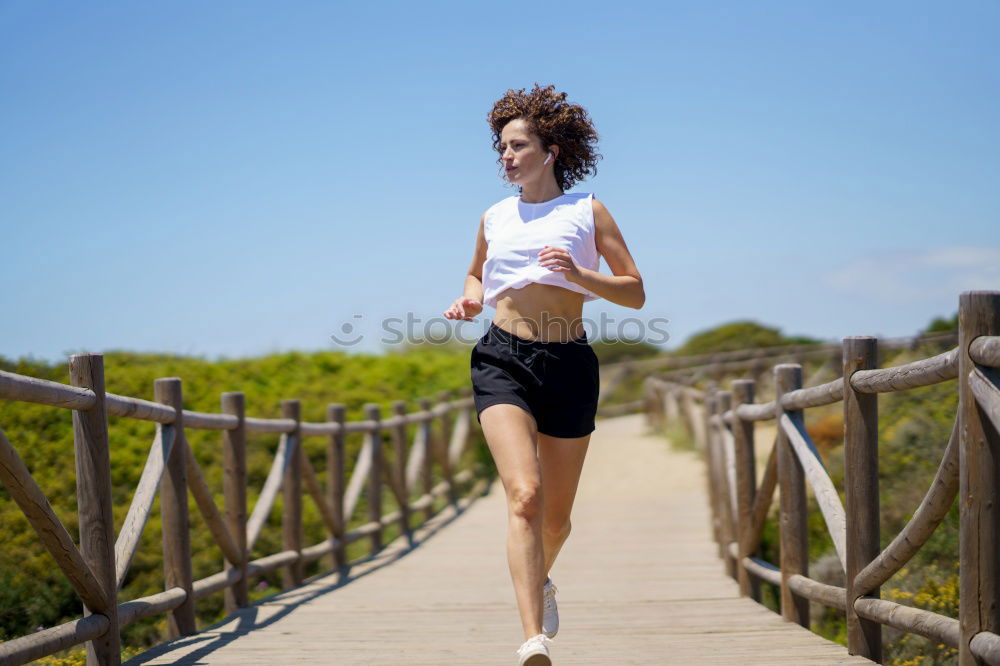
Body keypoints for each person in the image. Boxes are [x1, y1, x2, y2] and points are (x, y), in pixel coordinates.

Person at [443, 83, 644, 666]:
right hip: (503, 357)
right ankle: (532, 638)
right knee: (524, 497)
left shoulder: (587, 211)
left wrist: (580, 275)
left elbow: (633, 292)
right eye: (501, 148)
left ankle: (541, 579)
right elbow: (476, 276)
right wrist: (468, 301)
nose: (506, 156)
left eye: (517, 145)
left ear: (550, 149)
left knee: (556, 519)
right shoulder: (493, 216)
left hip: (570, 363)